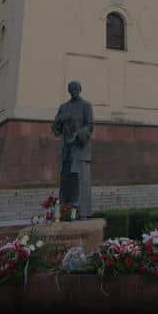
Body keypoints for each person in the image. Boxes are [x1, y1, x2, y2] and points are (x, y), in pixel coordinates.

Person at [52, 81, 94, 219]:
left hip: (79, 148)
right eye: (71, 89)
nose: (74, 90)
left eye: (76, 88)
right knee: (66, 179)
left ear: (80, 89)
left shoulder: (86, 106)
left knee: (79, 179)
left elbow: (90, 126)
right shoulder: (63, 107)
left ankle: (81, 213)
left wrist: (79, 135)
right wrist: (58, 120)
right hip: (66, 149)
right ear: (69, 91)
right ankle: (65, 212)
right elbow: (55, 130)